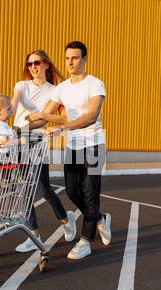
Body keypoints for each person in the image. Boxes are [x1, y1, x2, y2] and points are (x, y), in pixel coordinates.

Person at [28, 41, 111, 260]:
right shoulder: (61, 88)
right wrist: (21, 129)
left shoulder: (95, 84)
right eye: (67, 58)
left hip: (93, 144)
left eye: (74, 58)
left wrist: (64, 127)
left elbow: (91, 116)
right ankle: (100, 219)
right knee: (73, 192)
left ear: (84, 59)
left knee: (90, 193)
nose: (70, 62)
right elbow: (44, 115)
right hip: (73, 146)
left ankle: (85, 241)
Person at [11, 50, 77, 253]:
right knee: (23, 189)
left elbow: (62, 117)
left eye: (37, 63)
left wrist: (56, 125)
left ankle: (66, 219)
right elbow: (13, 104)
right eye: (29, 64)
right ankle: (34, 234)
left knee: (43, 188)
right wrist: (4, 121)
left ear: (46, 64)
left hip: (37, 140)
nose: (32, 67)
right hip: (17, 140)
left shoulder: (54, 91)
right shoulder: (22, 86)